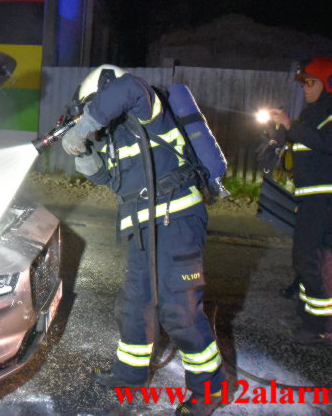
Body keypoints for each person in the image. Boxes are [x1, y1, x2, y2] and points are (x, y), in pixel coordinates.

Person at [61, 65, 225, 416]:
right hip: (142, 228)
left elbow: (130, 88)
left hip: (177, 220)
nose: (99, 117)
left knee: (178, 309)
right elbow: (114, 181)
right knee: (134, 304)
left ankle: (212, 389)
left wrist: (87, 122)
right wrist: (86, 156)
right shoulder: (120, 137)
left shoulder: (148, 109)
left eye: (96, 105)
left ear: (104, 93)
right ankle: (128, 376)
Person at [269, 57, 332, 346]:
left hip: (331, 199)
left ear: (330, 84)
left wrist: (289, 125)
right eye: (305, 82)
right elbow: (301, 143)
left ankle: (322, 329)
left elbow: (328, 142)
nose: (306, 88)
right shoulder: (313, 113)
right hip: (316, 198)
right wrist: (278, 131)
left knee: (317, 260)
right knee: (307, 258)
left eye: (312, 82)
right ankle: (310, 318)